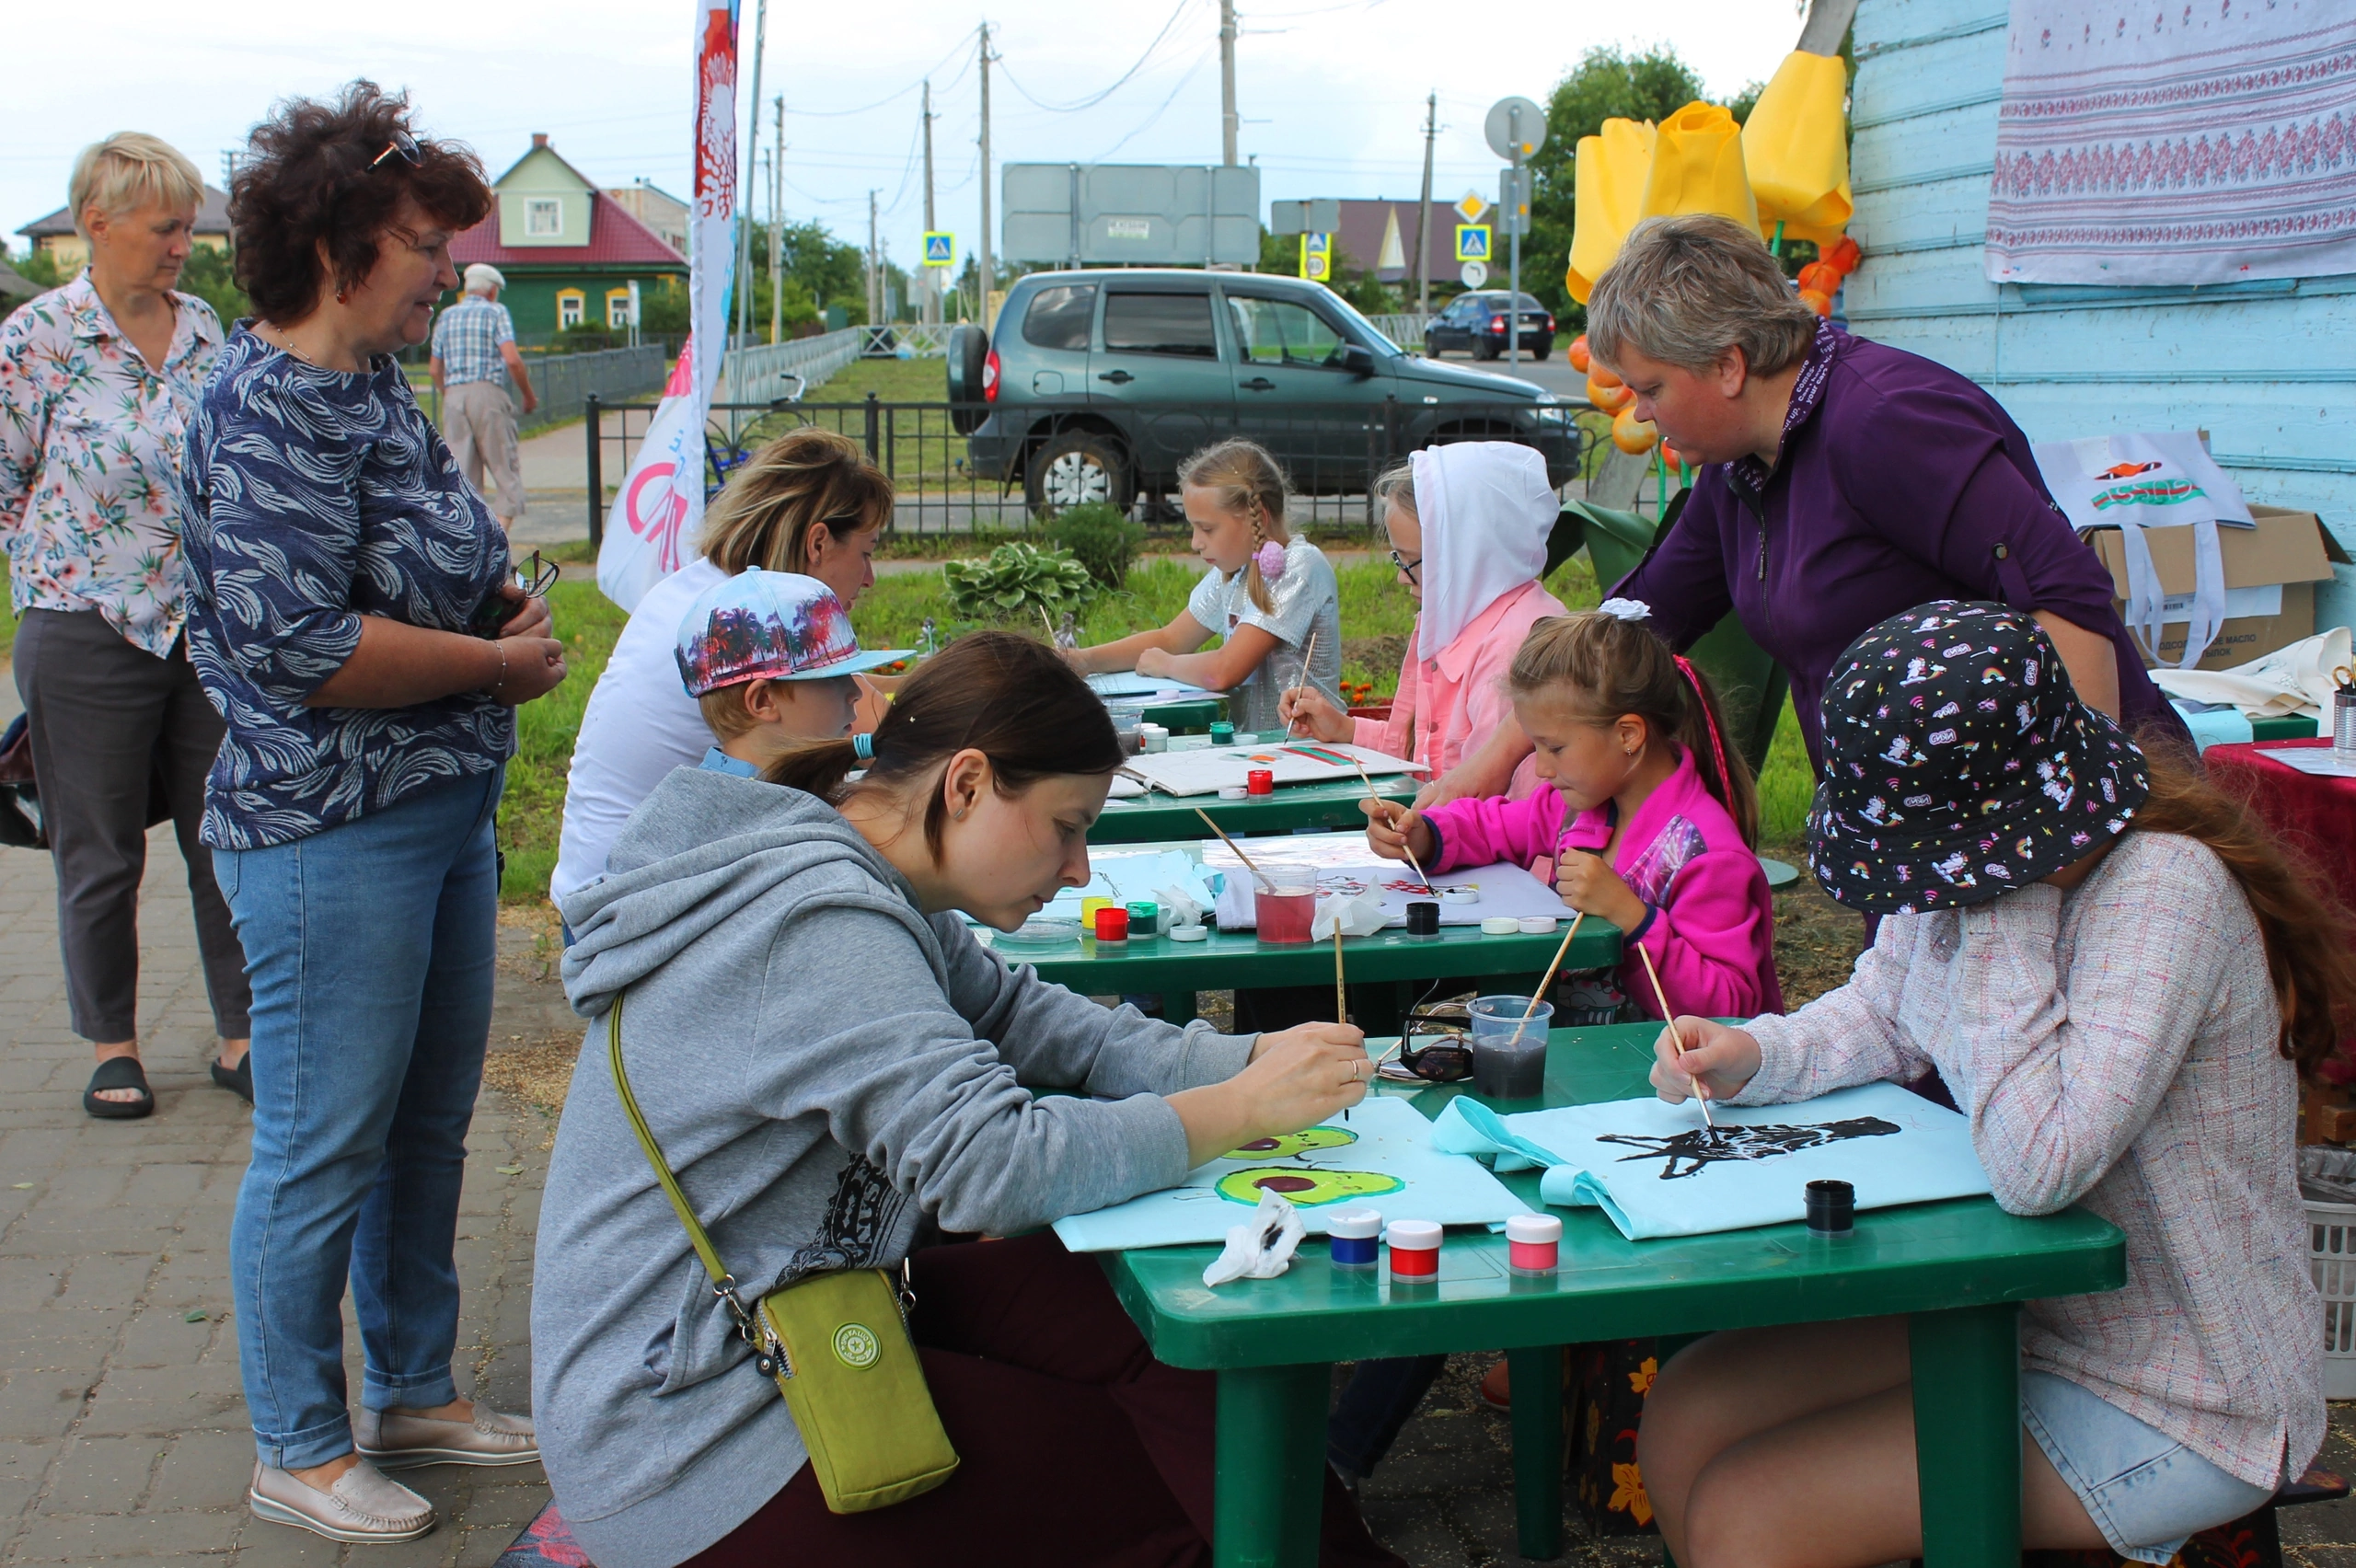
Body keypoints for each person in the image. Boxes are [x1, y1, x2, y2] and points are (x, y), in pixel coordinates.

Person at [538, 631, 1400, 1568]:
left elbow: (1034, 1024)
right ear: (967, 785)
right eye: (1069, 826)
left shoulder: (857, 870)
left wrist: (1252, 1058)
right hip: (691, 1430)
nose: (1078, 868)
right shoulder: (816, 921)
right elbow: (995, 1166)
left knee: (1146, 1326)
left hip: (795, 1308)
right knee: (1161, 1498)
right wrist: (1237, 1111)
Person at [1634, 602, 2348, 1568]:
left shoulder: (2161, 894)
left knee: (1750, 1517)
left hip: (2182, 1387)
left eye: (1936, 864)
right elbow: (1887, 1007)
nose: (1918, 891)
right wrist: (1755, 1054)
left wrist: (2003, 897)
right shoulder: (1967, 873)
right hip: (2021, 1309)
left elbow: (2037, 1163)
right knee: (1688, 1406)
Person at [177, 82, 570, 1544]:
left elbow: (420, 562)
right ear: (343, 245)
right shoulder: (266, 405)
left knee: (424, 1129)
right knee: (322, 1141)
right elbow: (302, 650)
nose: (443, 265)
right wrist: (494, 660)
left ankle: (413, 1392)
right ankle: (297, 1441)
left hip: (438, 809)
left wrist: (498, 608)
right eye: (422, 240)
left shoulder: (368, 390)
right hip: (327, 832)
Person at [1437, 213, 2187, 808]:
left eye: (1653, 387)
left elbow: (2070, 600)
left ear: (1728, 365)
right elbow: (1634, 617)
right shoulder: (1739, 468)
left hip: (2041, 817)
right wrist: (1487, 765)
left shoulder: (1886, 423)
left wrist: (2078, 830)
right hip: (1915, 824)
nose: (1639, 410)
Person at [0, 133, 251, 1118]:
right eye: (166, 226)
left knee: (223, 838)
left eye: (190, 225)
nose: (183, 243)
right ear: (96, 226)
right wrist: (70, 563)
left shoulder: (207, 330)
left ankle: (240, 1036)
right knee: (98, 849)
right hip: (84, 627)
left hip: (204, 632)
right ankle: (113, 1045)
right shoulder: (36, 339)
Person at [1369, 606, 1780, 1024]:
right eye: (1535, 747)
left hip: (1666, 1084)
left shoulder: (1705, 854)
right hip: (1578, 1063)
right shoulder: (1579, 805)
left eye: (1556, 749)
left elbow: (1732, 1009)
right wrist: (1423, 836)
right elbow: (1494, 826)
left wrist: (1632, 918)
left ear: (1628, 735)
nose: (1542, 769)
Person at [550, 425, 893, 912]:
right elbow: (886, 732)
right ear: (818, 543)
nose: (871, 578)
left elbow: (854, 695)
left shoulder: (709, 595)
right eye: (867, 552)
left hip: (614, 887)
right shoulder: (752, 620)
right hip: (635, 913)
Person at [1278, 442, 1565, 797]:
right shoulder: (1459, 617)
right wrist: (1346, 729)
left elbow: (1494, 800)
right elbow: (1424, 754)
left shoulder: (1510, 647)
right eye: (1398, 560)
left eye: (1412, 561)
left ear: (1470, 551)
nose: (1402, 577)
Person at [1064, 437, 1341, 734]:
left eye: (1207, 529)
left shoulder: (1298, 567)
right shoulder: (1236, 570)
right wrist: (1083, 660)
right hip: (1258, 750)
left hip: (1308, 752)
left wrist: (1167, 665)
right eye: (1193, 527)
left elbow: (1224, 671)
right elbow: (1170, 638)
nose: (1196, 542)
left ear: (1257, 518)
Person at [676, 570, 905, 777]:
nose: (855, 692)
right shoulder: (790, 819)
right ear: (763, 700)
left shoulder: (699, 792)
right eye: (832, 677)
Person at [429, 262, 536, 528]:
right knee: (505, 470)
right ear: (490, 292)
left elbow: (434, 368)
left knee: (463, 475)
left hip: (454, 397)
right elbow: (511, 359)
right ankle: (500, 544)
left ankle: (472, 545)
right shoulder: (496, 312)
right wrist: (528, 395)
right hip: (487, 393)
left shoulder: (447, 316)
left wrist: (448, 393)